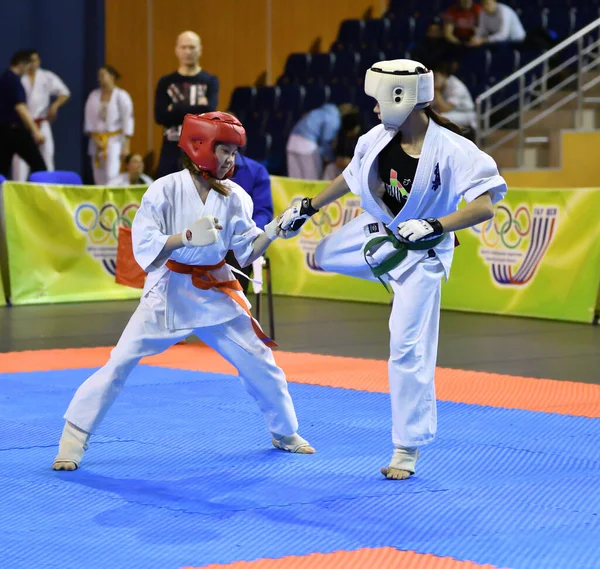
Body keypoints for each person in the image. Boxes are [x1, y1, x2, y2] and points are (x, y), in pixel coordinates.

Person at [277, 59, 506, 480]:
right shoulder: (377, 138)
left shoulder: (454, 150)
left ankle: (407, 448)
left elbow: (485, 205)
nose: (376, 111)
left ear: (403, 99)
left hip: (425, 256)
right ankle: (386, 262)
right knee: (324, 253)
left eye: (380, 102)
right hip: (382, 234)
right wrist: (307, 207)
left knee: (406, 348)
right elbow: (349, 177)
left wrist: (436, 224)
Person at [52, 112, 314, 472]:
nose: (231, 160)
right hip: (168, 291)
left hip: (216, 289)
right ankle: (73, 439)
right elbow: (144, 248)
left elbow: (245, 251)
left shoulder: (235, 196)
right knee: (120, 362)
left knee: (260, 362)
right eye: (225, 150)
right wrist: (184, 238)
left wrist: (273, 230)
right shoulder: (164, 189)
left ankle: (285, 433)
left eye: (234, 153)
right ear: (199, 147)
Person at [154, 31, 219, 178]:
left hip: (200, 148)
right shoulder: (166, 82)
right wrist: (198, 108)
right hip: (171, 147)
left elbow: (209, 112)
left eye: (192, 47)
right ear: (177, 50)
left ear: (200, 49)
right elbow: (160, 116)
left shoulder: (210, 81)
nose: (187, 52)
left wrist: (175, 108)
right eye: (183, 47)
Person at [11, 50, 70, 181]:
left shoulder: (46, 77)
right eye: (30, 61)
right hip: (23, 125)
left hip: (42, 123)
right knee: (20, 163)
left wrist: (54, 106)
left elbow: (64, 92)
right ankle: (18, 193)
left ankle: (49, 191)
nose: (33, 64)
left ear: (39, 61)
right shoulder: (20, 78)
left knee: (47, 159)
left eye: (36, 60)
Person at [225, 151, 274, 293]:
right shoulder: (204, 170)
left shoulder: (257, 171)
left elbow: (263, 212)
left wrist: (245, 231)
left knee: (239, 251)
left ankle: (234, 308)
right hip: (212, 237)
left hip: (243, 239)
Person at [0, 50, 46, 178]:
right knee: (39, 166)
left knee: (2, 169)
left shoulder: (5, 78)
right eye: (28, 65)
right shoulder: (12, 80)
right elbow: (20, 107)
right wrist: (35, 130)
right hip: (14, 131)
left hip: (3, 131)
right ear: (21, 64)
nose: (29, 69)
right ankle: (41, 195)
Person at [84, 66, 134, 185]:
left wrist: (126, 146)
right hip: (96, 141)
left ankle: (110, 203)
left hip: (114, 141)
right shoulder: (93, 96)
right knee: (98, 176)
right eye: (99, 76)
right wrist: (96, 139)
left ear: (112, 76)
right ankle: (101, 203)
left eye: (103, 75)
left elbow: (128, 120)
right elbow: (89, 121)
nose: (100, 78)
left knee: (112, 176)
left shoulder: (121, 96)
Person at [286, 103, 356, 180]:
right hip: (307, 146)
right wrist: (331, 158)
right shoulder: (334, 119)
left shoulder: (322, 110)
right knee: (312, 182)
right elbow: (326, 142)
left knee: (295, 179)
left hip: (292, 142)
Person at [431, 61, 476, 133]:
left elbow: (444, 109)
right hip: (452, 113)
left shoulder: (456, 86)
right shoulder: (440, 86)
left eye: (435, 77)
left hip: (466, 114)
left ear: (444, 75)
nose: (433, 80)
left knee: (440, 117)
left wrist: (436, 90)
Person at [323, 111, 362, 181]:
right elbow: (337, 156)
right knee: (330, 168)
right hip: (342, 167)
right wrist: (339, 159)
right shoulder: (341, 136)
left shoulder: (362, 138)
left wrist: (350, 162)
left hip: (357, 167)